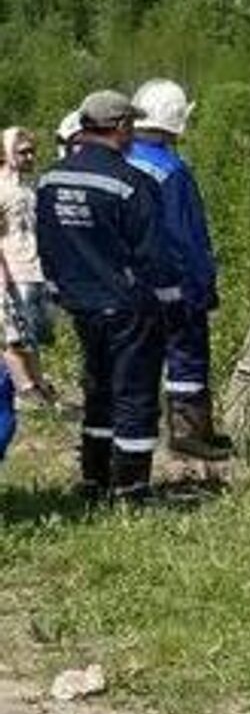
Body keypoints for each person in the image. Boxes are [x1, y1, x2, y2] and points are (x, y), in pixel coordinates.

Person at [35, 91, 179, 502]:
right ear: (120, 128)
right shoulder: (132, 183)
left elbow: (47, 243)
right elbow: (153, 254)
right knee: (134, 392)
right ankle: (132, 487)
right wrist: (171, 303)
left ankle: (94, 477)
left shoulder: (51, 179)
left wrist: (59, 288)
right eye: (130, 126)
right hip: (128, 304)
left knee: (97, 387)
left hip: (81, 303)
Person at [127, 79, 231, 461]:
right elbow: (187, 237)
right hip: (170, 282)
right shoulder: (171, 170)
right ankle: (189, 432)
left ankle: (129, 435)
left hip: (120, 284)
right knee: (186, 352)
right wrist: (202, 287)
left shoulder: (117, 160)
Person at [0, 127, 57, 406]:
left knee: (32, 332)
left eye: (32, 151)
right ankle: (25, 389)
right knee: (15, 335)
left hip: (34, 267)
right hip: (11, 269)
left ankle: (39, 384)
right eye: (23, 152)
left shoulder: (28, 187)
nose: (30, 156)